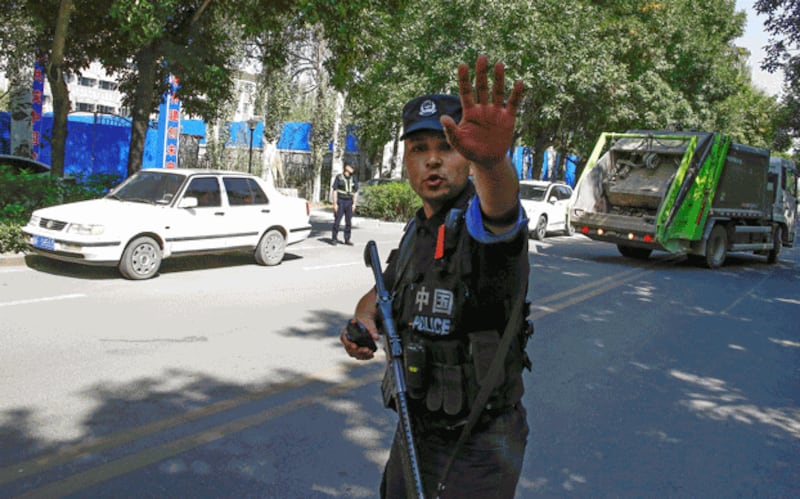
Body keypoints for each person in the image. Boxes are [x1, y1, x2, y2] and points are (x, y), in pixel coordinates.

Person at [340, 55, 531, 498]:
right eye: (418, 150)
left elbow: (502, 212)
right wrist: (363, 323)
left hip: (480, 442)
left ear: (464, 155)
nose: (432, 162)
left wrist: (491, 162)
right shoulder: (416, 231)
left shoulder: (480, 223)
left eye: (446, 148)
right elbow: (381, 294)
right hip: (416, 430)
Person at [331, 162, 359, 245]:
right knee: (337, 221)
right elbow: (335, 190)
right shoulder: (339, 177)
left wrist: (354, 204)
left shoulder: (354, 178)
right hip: (340, 201)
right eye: (351, 167)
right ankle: (334, 238)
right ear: (346, 167)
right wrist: (335, 203)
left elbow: (356, 191)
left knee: (348, 222)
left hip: (349, 202)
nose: (353, 168)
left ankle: (347, 239)